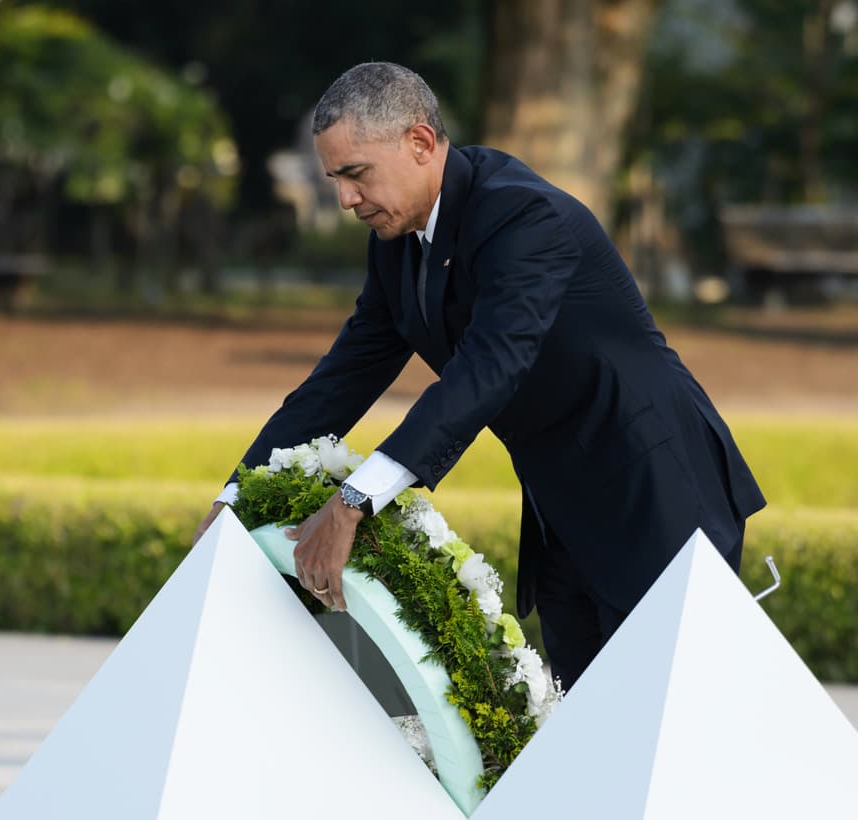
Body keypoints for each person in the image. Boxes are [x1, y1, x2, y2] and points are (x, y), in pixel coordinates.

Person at [194, 62, 765, 689]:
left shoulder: (524, 215)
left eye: (356, 174)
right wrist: (235, 497)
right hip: (560, 510)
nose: (346, 200)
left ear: (419, 141)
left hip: (658, 491)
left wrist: (357, 499)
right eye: (336, 180)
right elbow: (343, 378)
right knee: (587, 719)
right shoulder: (395, 242)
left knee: (668, 716)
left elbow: (490, 366)